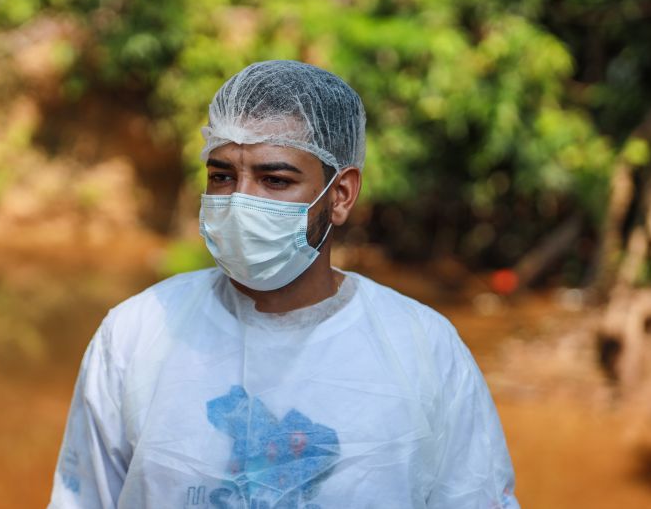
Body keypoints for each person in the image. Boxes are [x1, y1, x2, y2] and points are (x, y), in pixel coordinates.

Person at [48, 60, 519, 508]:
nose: (241, 201)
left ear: (340, 194)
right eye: (222, 176)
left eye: (274, 179)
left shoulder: (421, 349)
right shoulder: (137, 334)